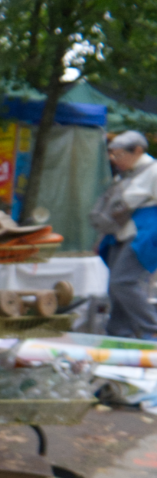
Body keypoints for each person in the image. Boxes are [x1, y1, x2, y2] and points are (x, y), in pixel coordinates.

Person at [92, 130, 157, 337]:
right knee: (115, 286)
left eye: (119, 155)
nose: (114, 159)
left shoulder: (154, 171)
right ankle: (119, 332)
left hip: (144, 233)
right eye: (112, 155)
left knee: (123, 282)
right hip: (119, 232)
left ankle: (151, 329)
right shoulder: (124, 175)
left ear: (138, 151)